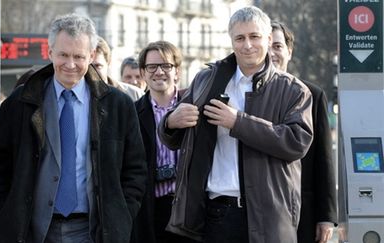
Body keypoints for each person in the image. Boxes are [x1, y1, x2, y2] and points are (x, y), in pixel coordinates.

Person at [0, 13, 147, 243]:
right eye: (63, 55)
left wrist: (121, 217)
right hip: (31, 233)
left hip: (95, 233)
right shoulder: (20, 103)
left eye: (79, 56)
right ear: (49, 53)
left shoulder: (118, 105)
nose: (70, 64)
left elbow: (135, 171)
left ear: (91, 55)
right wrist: (4, 223)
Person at [158, 6, 314, 243]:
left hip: (268, 216)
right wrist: (171, 121)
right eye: (240, 38)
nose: (247, 45)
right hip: (216, 213)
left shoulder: (294, 90)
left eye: (254, 37)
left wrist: (238, 122)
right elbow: (173, 138)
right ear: (231, 41)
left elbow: (296, 142)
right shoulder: (206, 79)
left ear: (269, 39)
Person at [270, 20, 337, 243]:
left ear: (289, 51)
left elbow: (324, 159)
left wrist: (326, 216)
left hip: (304, 213)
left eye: (277, 46)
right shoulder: (244, 97)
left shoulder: (313, 95)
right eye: (267, 45)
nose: (272, 53)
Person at [131, 41, 195, 243]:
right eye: (152, 67)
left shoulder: (194, 106)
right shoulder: (132, 113)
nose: (159, 72)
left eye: (166, 66)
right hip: (151, 209)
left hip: (189, 209)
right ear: (143, 73)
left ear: (177, 71)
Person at [93, 36, 144, 101]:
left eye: (97, 66)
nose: (92, 70)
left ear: (108, 63)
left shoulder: (135, 95)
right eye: (88, 66)